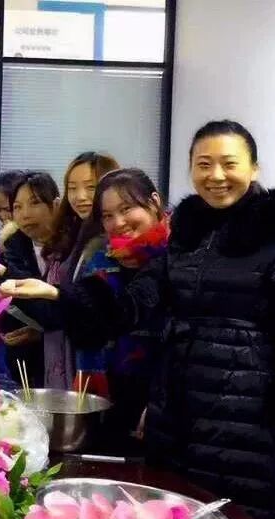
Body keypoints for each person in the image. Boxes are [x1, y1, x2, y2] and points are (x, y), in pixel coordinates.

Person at [1, 120, 275, 519]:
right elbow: (136, 301)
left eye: (229, 163)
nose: (216, 175)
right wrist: (58, 294)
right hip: (180, 419)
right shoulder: (188, 235)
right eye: (204, 164)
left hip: (249, 428)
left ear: (254, 168)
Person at [69, 168, 168, 454]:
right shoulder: (97, 257)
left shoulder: (180, 256)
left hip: (164, 400)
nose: (118, 222)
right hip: (107, 398)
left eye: (126, 209)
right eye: (108, 215)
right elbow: (82, 322)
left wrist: (161, 404)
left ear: (154, 202)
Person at [0, 171, 72, 389]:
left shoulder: (73, 246)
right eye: (17, 207)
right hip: (26, 366)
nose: (25, 214)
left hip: (72, 363)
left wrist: (42, 333)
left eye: (34, 203)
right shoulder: (13, 247)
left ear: (56, 205)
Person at [56, 152, 121, 280]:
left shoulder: (114, 237)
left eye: (91, 187)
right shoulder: (75, 231)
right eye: (72, 188)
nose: (80, 197)